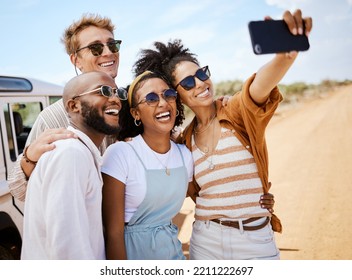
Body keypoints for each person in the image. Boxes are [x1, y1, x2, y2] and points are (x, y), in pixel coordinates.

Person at [131, 10, 313, 259]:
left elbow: (259, 86)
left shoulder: (236, 112)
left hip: (255, 240)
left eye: (202, 74)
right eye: (187, 83)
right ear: (176, 95)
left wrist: (284, 56)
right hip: (206, 241)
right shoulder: (185, 141)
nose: (200, 84)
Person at [8, 13, 122, 201]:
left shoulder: (129, 102)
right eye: (95, 48)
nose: (108, 52)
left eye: (112, 44)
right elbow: (19, 191)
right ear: (76, 60)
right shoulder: (52, 118)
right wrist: (28, 159)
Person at [21, 71, 124, 259]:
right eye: (104, 91)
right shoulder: (70, 153)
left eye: (118, 93)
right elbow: (68, 248)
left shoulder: (80, 151)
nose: (116, 99)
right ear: (74, 105)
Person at [101, 71, 194, 259]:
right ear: (136, 113)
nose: (163, 102)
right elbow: (113, 233)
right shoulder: (121, 153)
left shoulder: (185, 155)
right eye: (151, 98)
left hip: (173, 254)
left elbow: (205, 200)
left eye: (169, 95)